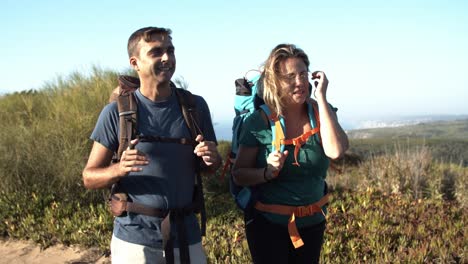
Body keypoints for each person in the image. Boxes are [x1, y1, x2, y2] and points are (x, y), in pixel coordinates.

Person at [82, 26, 221, 264]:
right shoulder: (116, 113)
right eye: (156, 52)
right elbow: (89, 177)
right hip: (135, 240)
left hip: (187, 235)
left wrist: (211, 159)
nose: (167, 57)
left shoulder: (195, 107)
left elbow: (210, 168)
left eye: (170, 50)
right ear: (135, 63)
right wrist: (118, 169)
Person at [232, 43, 349, 264]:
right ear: (275, 82)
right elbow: (239, 174)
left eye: (303, 74)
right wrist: (266, 172)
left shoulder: (321, 112)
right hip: (267, 225)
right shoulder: (259, 121)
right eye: (290, 76)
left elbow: (336, 151)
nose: (299, 82)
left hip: (312, 223)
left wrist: (322, 97)